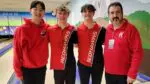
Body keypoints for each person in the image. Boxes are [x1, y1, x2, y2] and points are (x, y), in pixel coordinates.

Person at [104, 2, 143, 84]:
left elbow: (137, 52)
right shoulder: (108, 29)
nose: (115, 15)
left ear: (122, 13)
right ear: (109, 15)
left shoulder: (131, 29)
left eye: (117, 12)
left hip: (124, 75)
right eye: (112, 13)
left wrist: (132, 73)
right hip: (108, 73)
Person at [13, 1, 49, 84]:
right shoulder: (21, 30)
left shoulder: (47, 28)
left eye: (41, 10)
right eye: (35, 9)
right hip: (27, 70)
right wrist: (18, 72)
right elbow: (17, 52)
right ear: (30, 10)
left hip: (42, 68)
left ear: (44, 12)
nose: (38, 12)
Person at [48, 5, 77, 84]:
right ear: (56, 14)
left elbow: (77, 45)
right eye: (60, 13)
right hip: (57, 64)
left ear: (68, 15)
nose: (62, 16)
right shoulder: (50, 30)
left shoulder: (73, 30)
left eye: (64, 13)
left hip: (70, 64)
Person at [77, 4, 106, 84]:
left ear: (93, 13)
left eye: (90, 11)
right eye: (85, 11)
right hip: (83, 65)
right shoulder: (77, 30)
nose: (87, 13)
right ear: (82, 14)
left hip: (98, 64)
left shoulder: (102, 30)